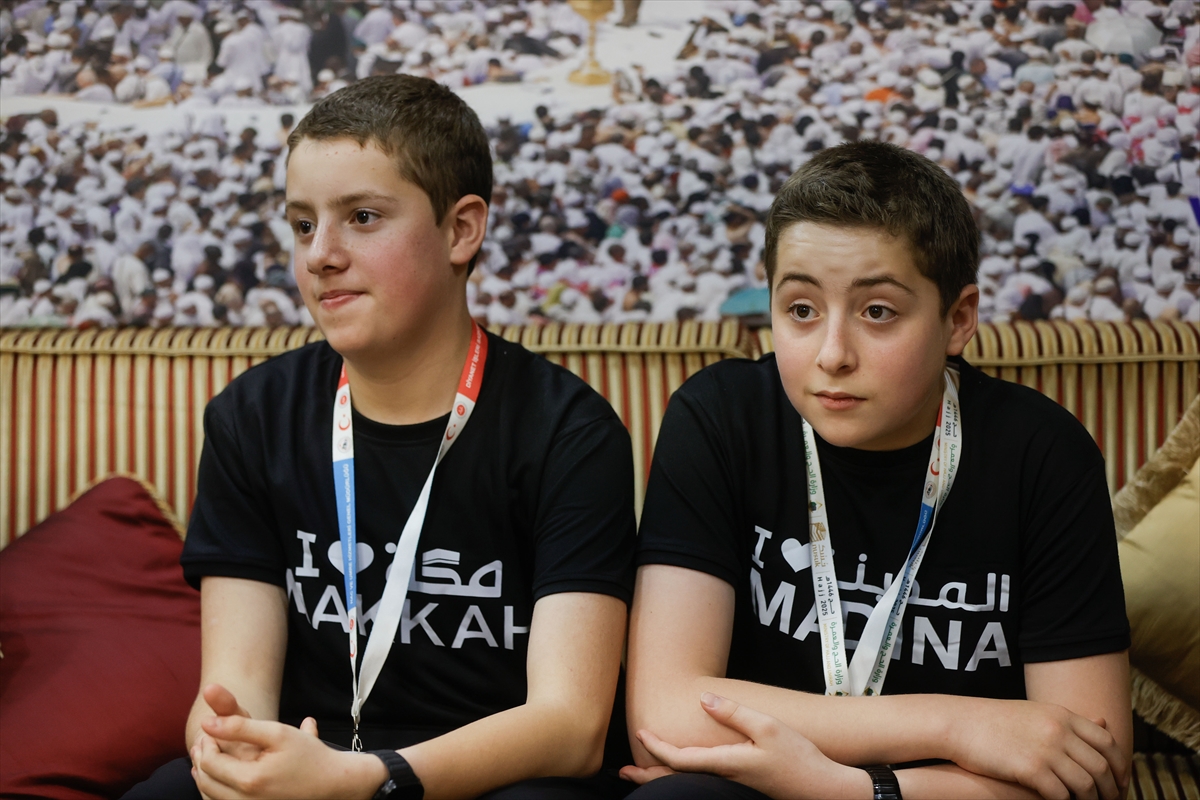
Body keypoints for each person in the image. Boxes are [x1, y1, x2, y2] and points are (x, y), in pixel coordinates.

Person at [124, 75, 636, 800]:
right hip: (306, 767)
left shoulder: (569, 432)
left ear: (461, 231)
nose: (320, 255)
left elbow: (571, 727)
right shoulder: (252, 416)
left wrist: (366, 778)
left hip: (492, 778)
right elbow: (234, 688)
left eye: (362, 217)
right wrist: (234, 753)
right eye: (303, 224)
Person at [622, 141, 1132, 800]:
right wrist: (959, 724)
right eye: (801, 310)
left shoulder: (1044, 455)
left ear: (958, 319)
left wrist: (841, 788)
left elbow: (1092, 769)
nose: (832, 354)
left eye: (878, 312)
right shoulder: (721, 417)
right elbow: (663, 715)